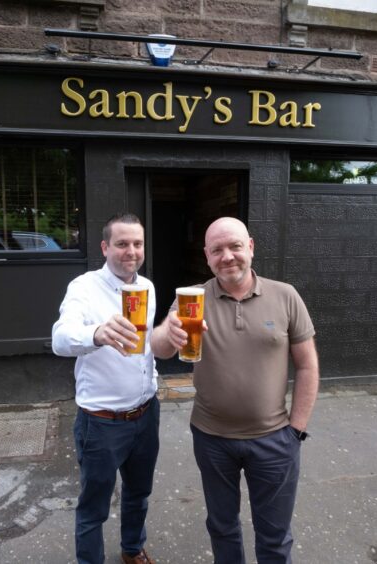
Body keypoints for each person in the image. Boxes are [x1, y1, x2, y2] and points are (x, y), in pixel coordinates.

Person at [151, 217, 319, 564]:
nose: (227, 256)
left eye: (235, 246)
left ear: (251, 247)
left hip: (274, 440)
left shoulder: (285, 296)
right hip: (212, 439)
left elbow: (307, 365)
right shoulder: (192, 300)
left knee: (274, 536)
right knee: (222, 527)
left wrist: (297, 430)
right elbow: (157, 348)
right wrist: (169, 330)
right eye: (217, 250)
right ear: (207, 256)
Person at [52, 213, 160, 564]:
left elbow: (145, 351)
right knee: (93, 507)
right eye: (122, 243)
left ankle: (132, 549)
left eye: (137, 243)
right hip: (101, 422)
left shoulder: (147, 287)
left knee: (139, 493)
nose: (131, 251)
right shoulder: (83, 287)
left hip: (145, 413)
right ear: (105, 247)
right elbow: (59, 338)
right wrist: (96, 334)